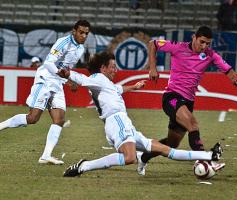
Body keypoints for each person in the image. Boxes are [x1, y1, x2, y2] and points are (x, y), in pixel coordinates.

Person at [58, 51, 225, 177]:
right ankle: (84, 166)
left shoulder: (105, 83)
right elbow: (82, 79)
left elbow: (118, 89)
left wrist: (134, 87)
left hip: (123, 123)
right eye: (113, 67)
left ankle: (209, 155)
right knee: (129, 157)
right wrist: (68, 74)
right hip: (117, 122)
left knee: (167, 150)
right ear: (103, 68)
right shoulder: (97, 78)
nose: (115, 70)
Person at [138, 26, 237, 175]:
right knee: (192, 123)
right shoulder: (178, 47)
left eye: (207, 43)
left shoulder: (209, 55)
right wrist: (153, 68)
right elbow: (152, 44)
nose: (204, 46)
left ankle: (144, 156)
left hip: (188, 102)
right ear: (194, 37)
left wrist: (235, 80)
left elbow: (227, 69)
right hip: (172, 97)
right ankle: (206, 160)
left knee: (171, 144)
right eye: (202, 42)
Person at [0, 20, 91, 164]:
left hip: (58, 83)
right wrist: (63, 77)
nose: (84, 36)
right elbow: (48, 63)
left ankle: (46, 156)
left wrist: (67, 79)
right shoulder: (63, 43)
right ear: (74, 31)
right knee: (33, 118)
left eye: (86, 33)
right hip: (46, 79)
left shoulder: (80, 49)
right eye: (81, 32)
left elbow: (66, 68)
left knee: (59, 119)